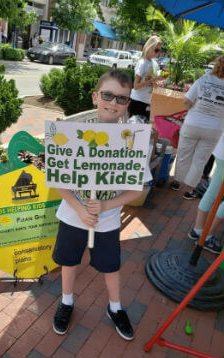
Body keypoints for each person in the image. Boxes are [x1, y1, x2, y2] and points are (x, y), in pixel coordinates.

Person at [52, 70, 152, 340]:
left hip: (107, 222)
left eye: (122, 98)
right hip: (73, 216)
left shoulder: (132, 141)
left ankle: (115, 307)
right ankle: (67, 300)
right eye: (107, 95)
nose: (113, 102)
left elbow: (138, 188)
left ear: (128, 103)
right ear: (96, 97)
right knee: (69, 262)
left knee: (111, 266)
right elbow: (58, 180)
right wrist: (80, 209)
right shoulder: (71, 135)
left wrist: (107, 205)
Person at [170, 55, 224, 199]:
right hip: (214, 129)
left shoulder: (203, 79)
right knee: (200, 160)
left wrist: (195, 108)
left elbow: (186, 101)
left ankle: (176, 182)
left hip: (193, 123)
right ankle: (190, 190)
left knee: (184, 153)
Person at [188, 133, 224, 254]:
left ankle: (198, 230)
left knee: (213, 189)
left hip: (221, 150)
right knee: (213, 190)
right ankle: (207, 236)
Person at [129, 35, 164, 122]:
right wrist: (153, 80)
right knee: (133, 132)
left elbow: (155, 87)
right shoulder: (142, 63)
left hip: (147, 102)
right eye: (156, 50)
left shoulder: (155, 64)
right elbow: (136, 86)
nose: (158, 53)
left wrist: (156, 82)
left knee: (142, 132)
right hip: (137, 101)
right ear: (149, 47)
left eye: (159, 50)